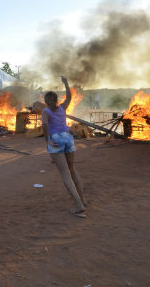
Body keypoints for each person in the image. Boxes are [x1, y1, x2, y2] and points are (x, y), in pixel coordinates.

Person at [42, 76, 88, 219]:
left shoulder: (45, 112)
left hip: (56, 139)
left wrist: (47, 140)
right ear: (56, 100)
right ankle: (83, 200)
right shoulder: (62, 107)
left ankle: (79, 205)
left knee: (65, 174)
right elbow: (69, 96)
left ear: (46, 101)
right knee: (72, 169)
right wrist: (66, 83)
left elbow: (44, 125)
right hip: (68, 137)